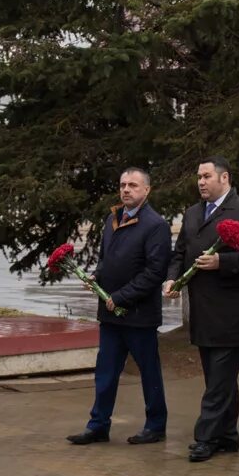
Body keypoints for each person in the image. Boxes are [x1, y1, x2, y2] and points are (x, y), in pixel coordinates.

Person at [165, 157, 239, 462]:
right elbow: (180, 252)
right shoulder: (192, 213)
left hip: (231, 312)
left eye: (206, 176)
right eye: (198, 176)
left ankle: (206, 437)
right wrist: (172, 279)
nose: (200, 181)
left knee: (220, 378)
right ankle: (228, 435)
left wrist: (221, 262)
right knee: (219, 378)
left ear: (224, 178)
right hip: (202, 311)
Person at [69, 168, 172, 446]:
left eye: (133, 185)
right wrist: (96, 276)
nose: (126, 190)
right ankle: (98, 425)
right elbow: (107, 260)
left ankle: (156, 425)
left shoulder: (155, 225)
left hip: (139, 315)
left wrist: (122, 296)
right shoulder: (112, 219)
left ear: (146, 190)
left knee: (148, 372)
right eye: (123, 185)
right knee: (105, 372)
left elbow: (154, 272)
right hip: (110, 315)